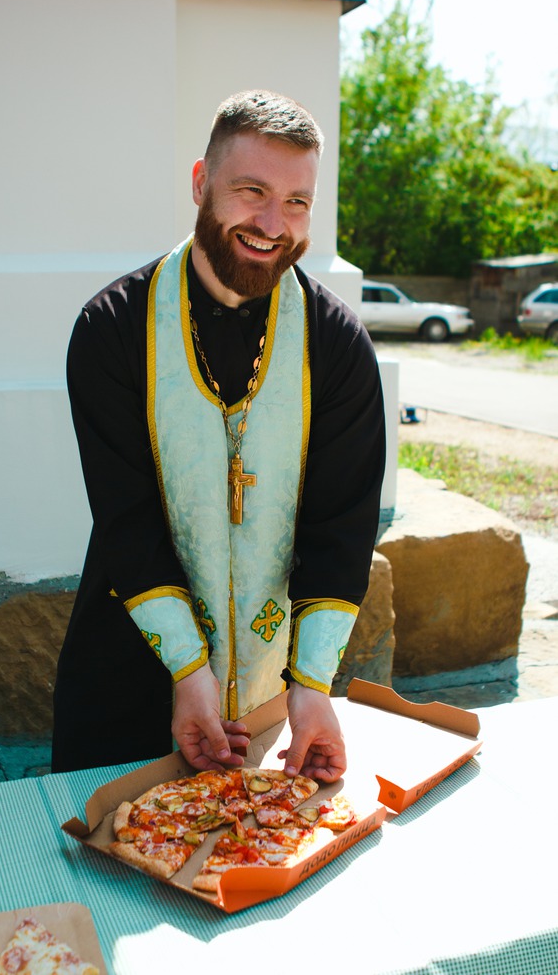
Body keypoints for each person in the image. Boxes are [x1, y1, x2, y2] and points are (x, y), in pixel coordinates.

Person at [52, 90, 386, 783]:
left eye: (296, 201)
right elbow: (127, 519)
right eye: (251, 191)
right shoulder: (112, 328)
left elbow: (340, 528)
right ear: (201, 182)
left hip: (273, 703)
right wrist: (189, 670)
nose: (272, 224)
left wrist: (312, 686)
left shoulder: (338, 344)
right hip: (127, 679)